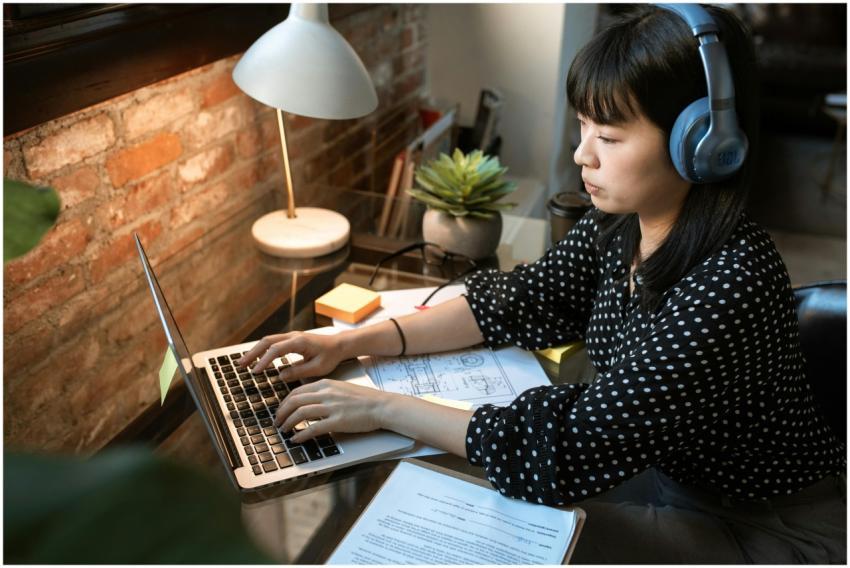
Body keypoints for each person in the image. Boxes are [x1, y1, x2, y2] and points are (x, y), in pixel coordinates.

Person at [238, 4, 846, 563]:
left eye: (609, 136)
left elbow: (568, 449)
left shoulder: (731, 282)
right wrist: (352, 342)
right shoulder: (621, 225)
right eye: (583, 126)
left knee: (476, 537)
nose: (582, 155)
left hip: (759, 525)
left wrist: (379, 406)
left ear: (703, 144)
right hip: (659, 472)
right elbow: (518, 301)